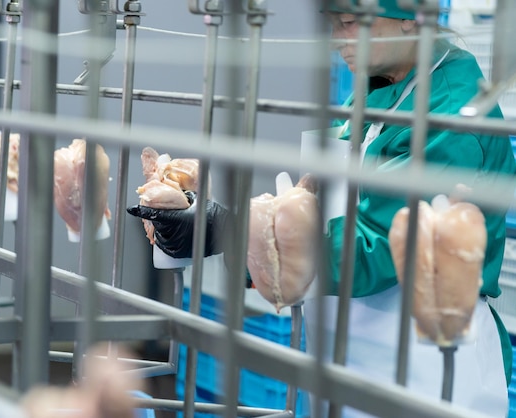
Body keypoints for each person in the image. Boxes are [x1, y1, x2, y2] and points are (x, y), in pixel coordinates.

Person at [127, 1, 516, 416]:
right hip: (350, 352)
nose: (336, 41)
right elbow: (315, 209)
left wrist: (235, 231)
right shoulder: (380, 90)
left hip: (426, 362)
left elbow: (379, 248)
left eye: (348, 24)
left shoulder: (450, 114)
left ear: (410, 19)